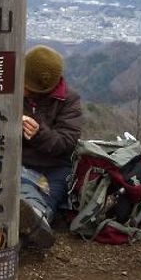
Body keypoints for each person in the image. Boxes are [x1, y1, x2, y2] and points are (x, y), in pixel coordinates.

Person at [19, 46, 83, 249]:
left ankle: (33, 226)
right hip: (16, 161)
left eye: (29, 88)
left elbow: (66, 142)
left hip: (53, 167)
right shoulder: (9, 89)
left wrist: (38, 134)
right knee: (14, 192)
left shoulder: (68, 101)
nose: (23, 89)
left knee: (46, 200)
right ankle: (22, 231)